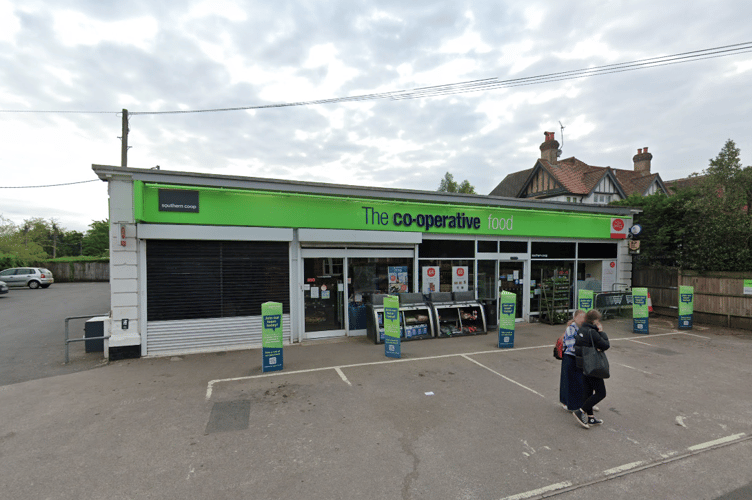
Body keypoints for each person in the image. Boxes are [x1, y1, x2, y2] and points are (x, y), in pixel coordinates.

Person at [573, 309, 610, 428]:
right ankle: (581, 411)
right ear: (595, 321)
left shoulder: (581, 329)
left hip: (583, 364)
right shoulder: (592, 332)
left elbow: (578, 347)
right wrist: (601, 332)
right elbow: (605, 345)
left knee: (588, 392)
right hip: (593, 366)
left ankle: (591, 418)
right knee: (601, 393)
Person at [559, 310, 585, 411]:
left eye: (584, 317)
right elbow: (571, 346)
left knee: (580, 381)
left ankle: (582, 403)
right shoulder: (571, 329)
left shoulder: (583, 328)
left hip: (579, 357)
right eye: (581, 317)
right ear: (575, 318)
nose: (583, 319)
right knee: (568, 381)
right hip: (570, 357)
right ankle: (566, 403)